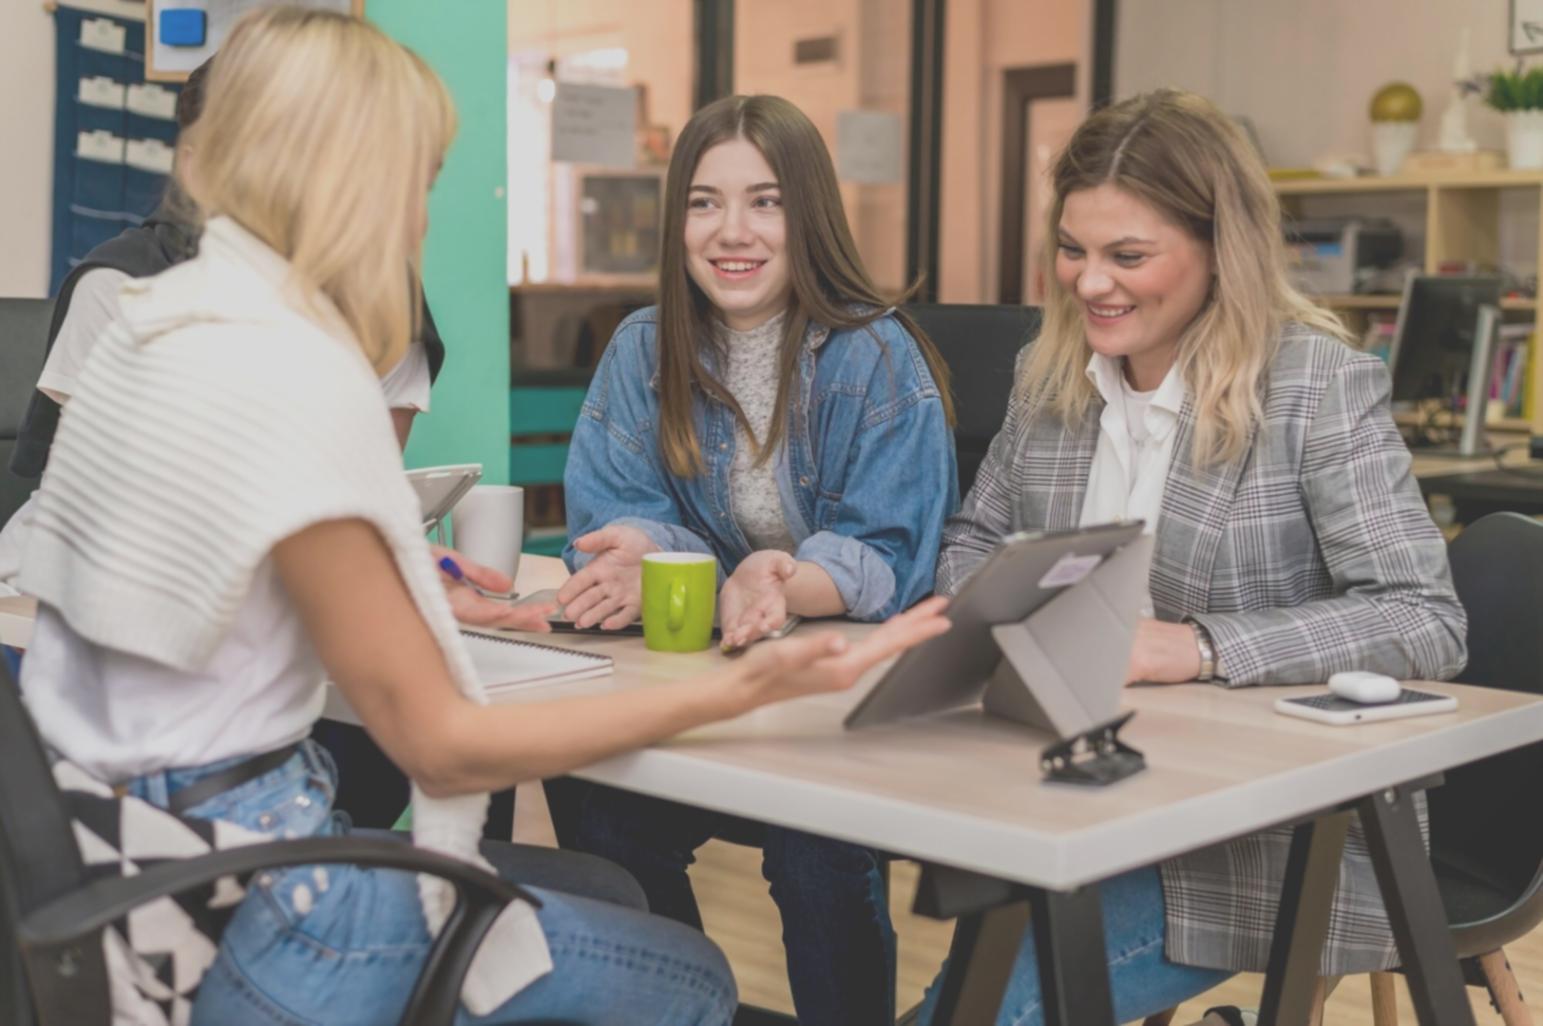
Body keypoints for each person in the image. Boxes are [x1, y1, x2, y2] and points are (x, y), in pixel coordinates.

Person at [15, 10, 951, 1024]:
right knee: (697, 978)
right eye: (420, 181)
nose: (422, 217)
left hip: (102, 868)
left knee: (611, 888)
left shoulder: (147, 326)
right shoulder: (295, 373)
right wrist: (733, 694)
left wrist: (413, 583)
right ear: (352, 184)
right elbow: (446, 748)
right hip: (247, 914)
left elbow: (175, 553)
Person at [926, 89, 1467, 1025]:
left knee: (989, 1011)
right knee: (964, 1001)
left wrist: (1200, 647)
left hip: (1247, 843)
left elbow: (1422, 618)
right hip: (1055, 791)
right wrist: (992, 611)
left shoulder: (1313, 385)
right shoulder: (1047, 375)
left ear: (1222, 251)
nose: (1089, 283)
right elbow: (975, 537)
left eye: (1127, 256)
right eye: (1072, 250)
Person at [551, 93, 958, 1026]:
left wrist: (780, 580)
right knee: (595, 800)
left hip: (831, 689)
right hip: (698, 677)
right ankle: (681, 1006)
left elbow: (891, 555)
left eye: (764, 201)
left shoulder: (872, 356)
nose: (730, 231)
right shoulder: (642, 347)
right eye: (703, 202)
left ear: (807, 213)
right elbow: (623, 508)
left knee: (816, 844)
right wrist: (639, 552)